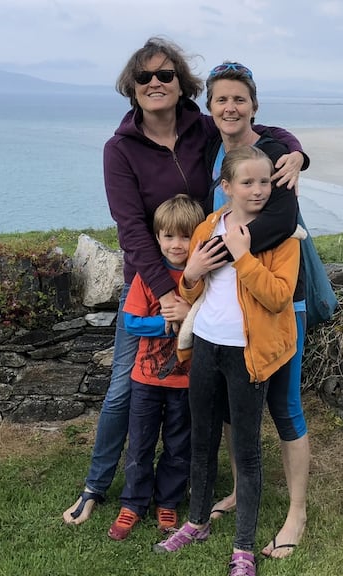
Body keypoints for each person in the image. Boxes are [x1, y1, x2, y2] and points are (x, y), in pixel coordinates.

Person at [62, 36, 306, 526]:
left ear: (181, 84)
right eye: (144, 76)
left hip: (212, 282)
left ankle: (183, 484)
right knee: (125, 386)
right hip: (156, 283)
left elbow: (255, 130)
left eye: (165, 74)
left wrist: (297, 151)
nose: (155, 82)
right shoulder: (120, 149)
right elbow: (131, 231)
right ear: (132, 87)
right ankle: (95, 485)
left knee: (197, 390)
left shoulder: (203, 129)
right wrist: (167, 292)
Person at [153, 146, 301, 576]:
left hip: (247, 354)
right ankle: (196, 522)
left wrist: (243, 256)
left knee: (247, 450)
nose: (258, 190)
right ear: (226, 187)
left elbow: (278, 297)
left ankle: (243, 548)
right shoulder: (208, 226)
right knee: (202, 441)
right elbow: (191, 291)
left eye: (265, 181)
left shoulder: (283, 238)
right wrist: (192, 272)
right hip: (206, 346)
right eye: (247, 182)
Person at [203, 61, 311, 560]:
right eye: (221, 99)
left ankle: (296, 513)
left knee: (285, 406)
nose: (230, 107)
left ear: (254, 105)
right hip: (232, 305)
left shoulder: (275, 156)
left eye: (239, 99)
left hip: (281, 298)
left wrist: (216, 253)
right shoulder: (215, 153)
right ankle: (238, 490)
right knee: (232, 407)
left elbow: (282, 222)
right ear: (209, 107)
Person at [106, 195, 205, 541]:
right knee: (140, 444)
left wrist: (188, 319)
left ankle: (168, 500)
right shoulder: (148, 277)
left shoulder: (201, 279)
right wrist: (166, 325)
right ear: (157, 237)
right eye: (168, 236)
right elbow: (132, 322)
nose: (176, 244)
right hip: (146, 380)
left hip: (185, 381)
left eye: (185, 236)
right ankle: (133, 502)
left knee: (178, 445)